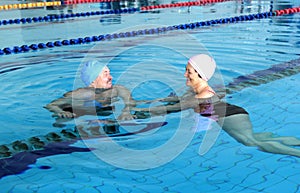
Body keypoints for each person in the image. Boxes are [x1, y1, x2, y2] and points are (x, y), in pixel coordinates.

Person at [132, 54, 300, 158]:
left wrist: (139, 112)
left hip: (229, 115)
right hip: (229, 112)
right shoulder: (193, 91)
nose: (185, 75)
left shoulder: (202, 94)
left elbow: (171, 108)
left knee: (250, 142)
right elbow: (168, 101)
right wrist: (139, 103)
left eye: (188, 72)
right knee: (257, 137)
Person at [45, 60, 136, 121]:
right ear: (93, 80)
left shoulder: (118, 89)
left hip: (107, 112)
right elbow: (51, 105)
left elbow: (131, 102)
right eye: (105, 75)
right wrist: (61, 112)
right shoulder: (80, 94)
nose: (111, 77)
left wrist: (126, 111)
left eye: (109, 73)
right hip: (84, 114)